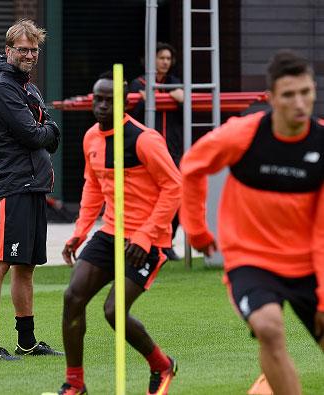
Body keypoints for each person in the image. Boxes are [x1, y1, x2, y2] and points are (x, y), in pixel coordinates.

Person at [180, 50, 324, 395]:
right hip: (252, 258)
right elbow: (191, 167)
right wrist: (197, 231)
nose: (299, 102)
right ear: (271, 98)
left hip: (308, 260)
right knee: (268, 326)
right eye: (289, 95)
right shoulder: (241, 135)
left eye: (306, 92)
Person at [57, 71, 181, 395]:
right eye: (96, 98)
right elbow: (93, 188)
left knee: (114, 312)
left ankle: (162, 364)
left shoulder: (144, 139)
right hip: (110, 233)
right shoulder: (90, 138)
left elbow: (174, 187)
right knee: (72, 298)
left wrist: (145, 235)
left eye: (108, 100)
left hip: (147, 239)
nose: (100, 105)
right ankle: (75, 384)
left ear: (125, 102)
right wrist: (80, 232)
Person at [0, 19, 63, 360]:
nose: (29, 55)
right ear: (9, 50)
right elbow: (32, 134)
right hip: (11, 185)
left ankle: (26, 341)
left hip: (33, 186)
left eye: (34, 50)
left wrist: (45, 130)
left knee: (25, 266)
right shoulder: (2, 87)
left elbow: (38, 133)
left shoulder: (29, 88)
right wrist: (51, 129)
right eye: (23, 49)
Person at [129, 42, 184, 261]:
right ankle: (149, 242)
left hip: (173, 149)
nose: (165, 62)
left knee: (176, 198)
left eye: (168, 59)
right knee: (149, 199)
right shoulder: (138, 83)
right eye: (161, 58)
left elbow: (185, 104)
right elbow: (131, 113)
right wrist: (145, 100)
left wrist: (176, 97)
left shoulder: (174, 83)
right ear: (150, 60)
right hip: (146, 151)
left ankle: (167, 243)